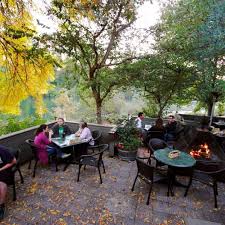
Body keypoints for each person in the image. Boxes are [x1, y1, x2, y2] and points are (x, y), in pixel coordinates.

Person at [0, 145, 17, 220]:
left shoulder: (2, 150)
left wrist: (0, 169)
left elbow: (14, 161)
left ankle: (1, 206)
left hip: (4, 169)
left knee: (1, 184)